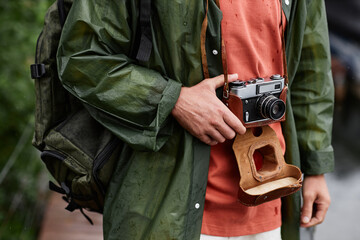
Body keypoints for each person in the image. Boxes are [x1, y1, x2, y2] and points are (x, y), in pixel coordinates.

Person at [56, 0, 334, 239]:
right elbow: (82, 57)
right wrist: (173, 100)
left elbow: (313, 69)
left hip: (273, 200)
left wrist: (316, 167)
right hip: (166, 208)